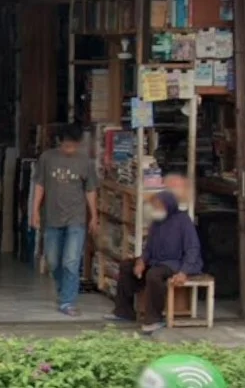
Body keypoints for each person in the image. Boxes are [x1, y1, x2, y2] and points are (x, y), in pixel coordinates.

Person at [107, 185, 203, 334]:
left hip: (175, 263)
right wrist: (141, 261)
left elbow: (192, 249)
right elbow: (149, 248)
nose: (156, 208)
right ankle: (123, 311)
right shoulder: (157, 222)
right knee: (126, 265)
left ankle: (154, 319)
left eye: (159, 205)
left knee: (154, 274)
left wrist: (184, 271)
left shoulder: (183, 221)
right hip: (156, 261)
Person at [31, 124, 99, 317]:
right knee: (53, 261)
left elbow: (90, 190)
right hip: (52, 217)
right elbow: (39, 186)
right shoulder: (47, 158)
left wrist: (94, 216)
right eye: (67, 145)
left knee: (71, 261)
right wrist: (34, 211)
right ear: (60, 141)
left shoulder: (85, 162)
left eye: (73, 145)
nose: (70, 149)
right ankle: (63, 293)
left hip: (76, 218)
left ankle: (68, 301)